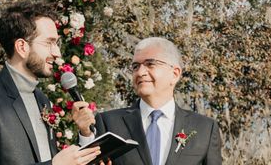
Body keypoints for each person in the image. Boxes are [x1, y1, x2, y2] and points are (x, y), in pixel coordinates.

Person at [0, 1, 103, 165]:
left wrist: (84, 134)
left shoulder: (42, 99)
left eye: (56, 43)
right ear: (21, 47)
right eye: (49, 43)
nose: (57, 53)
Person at [72, 37, 222, 165]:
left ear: (175, 74)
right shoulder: (109, 122)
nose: (140, 72)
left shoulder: (205, 129)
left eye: (150, 64)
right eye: (136, 66)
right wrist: (86, 134)